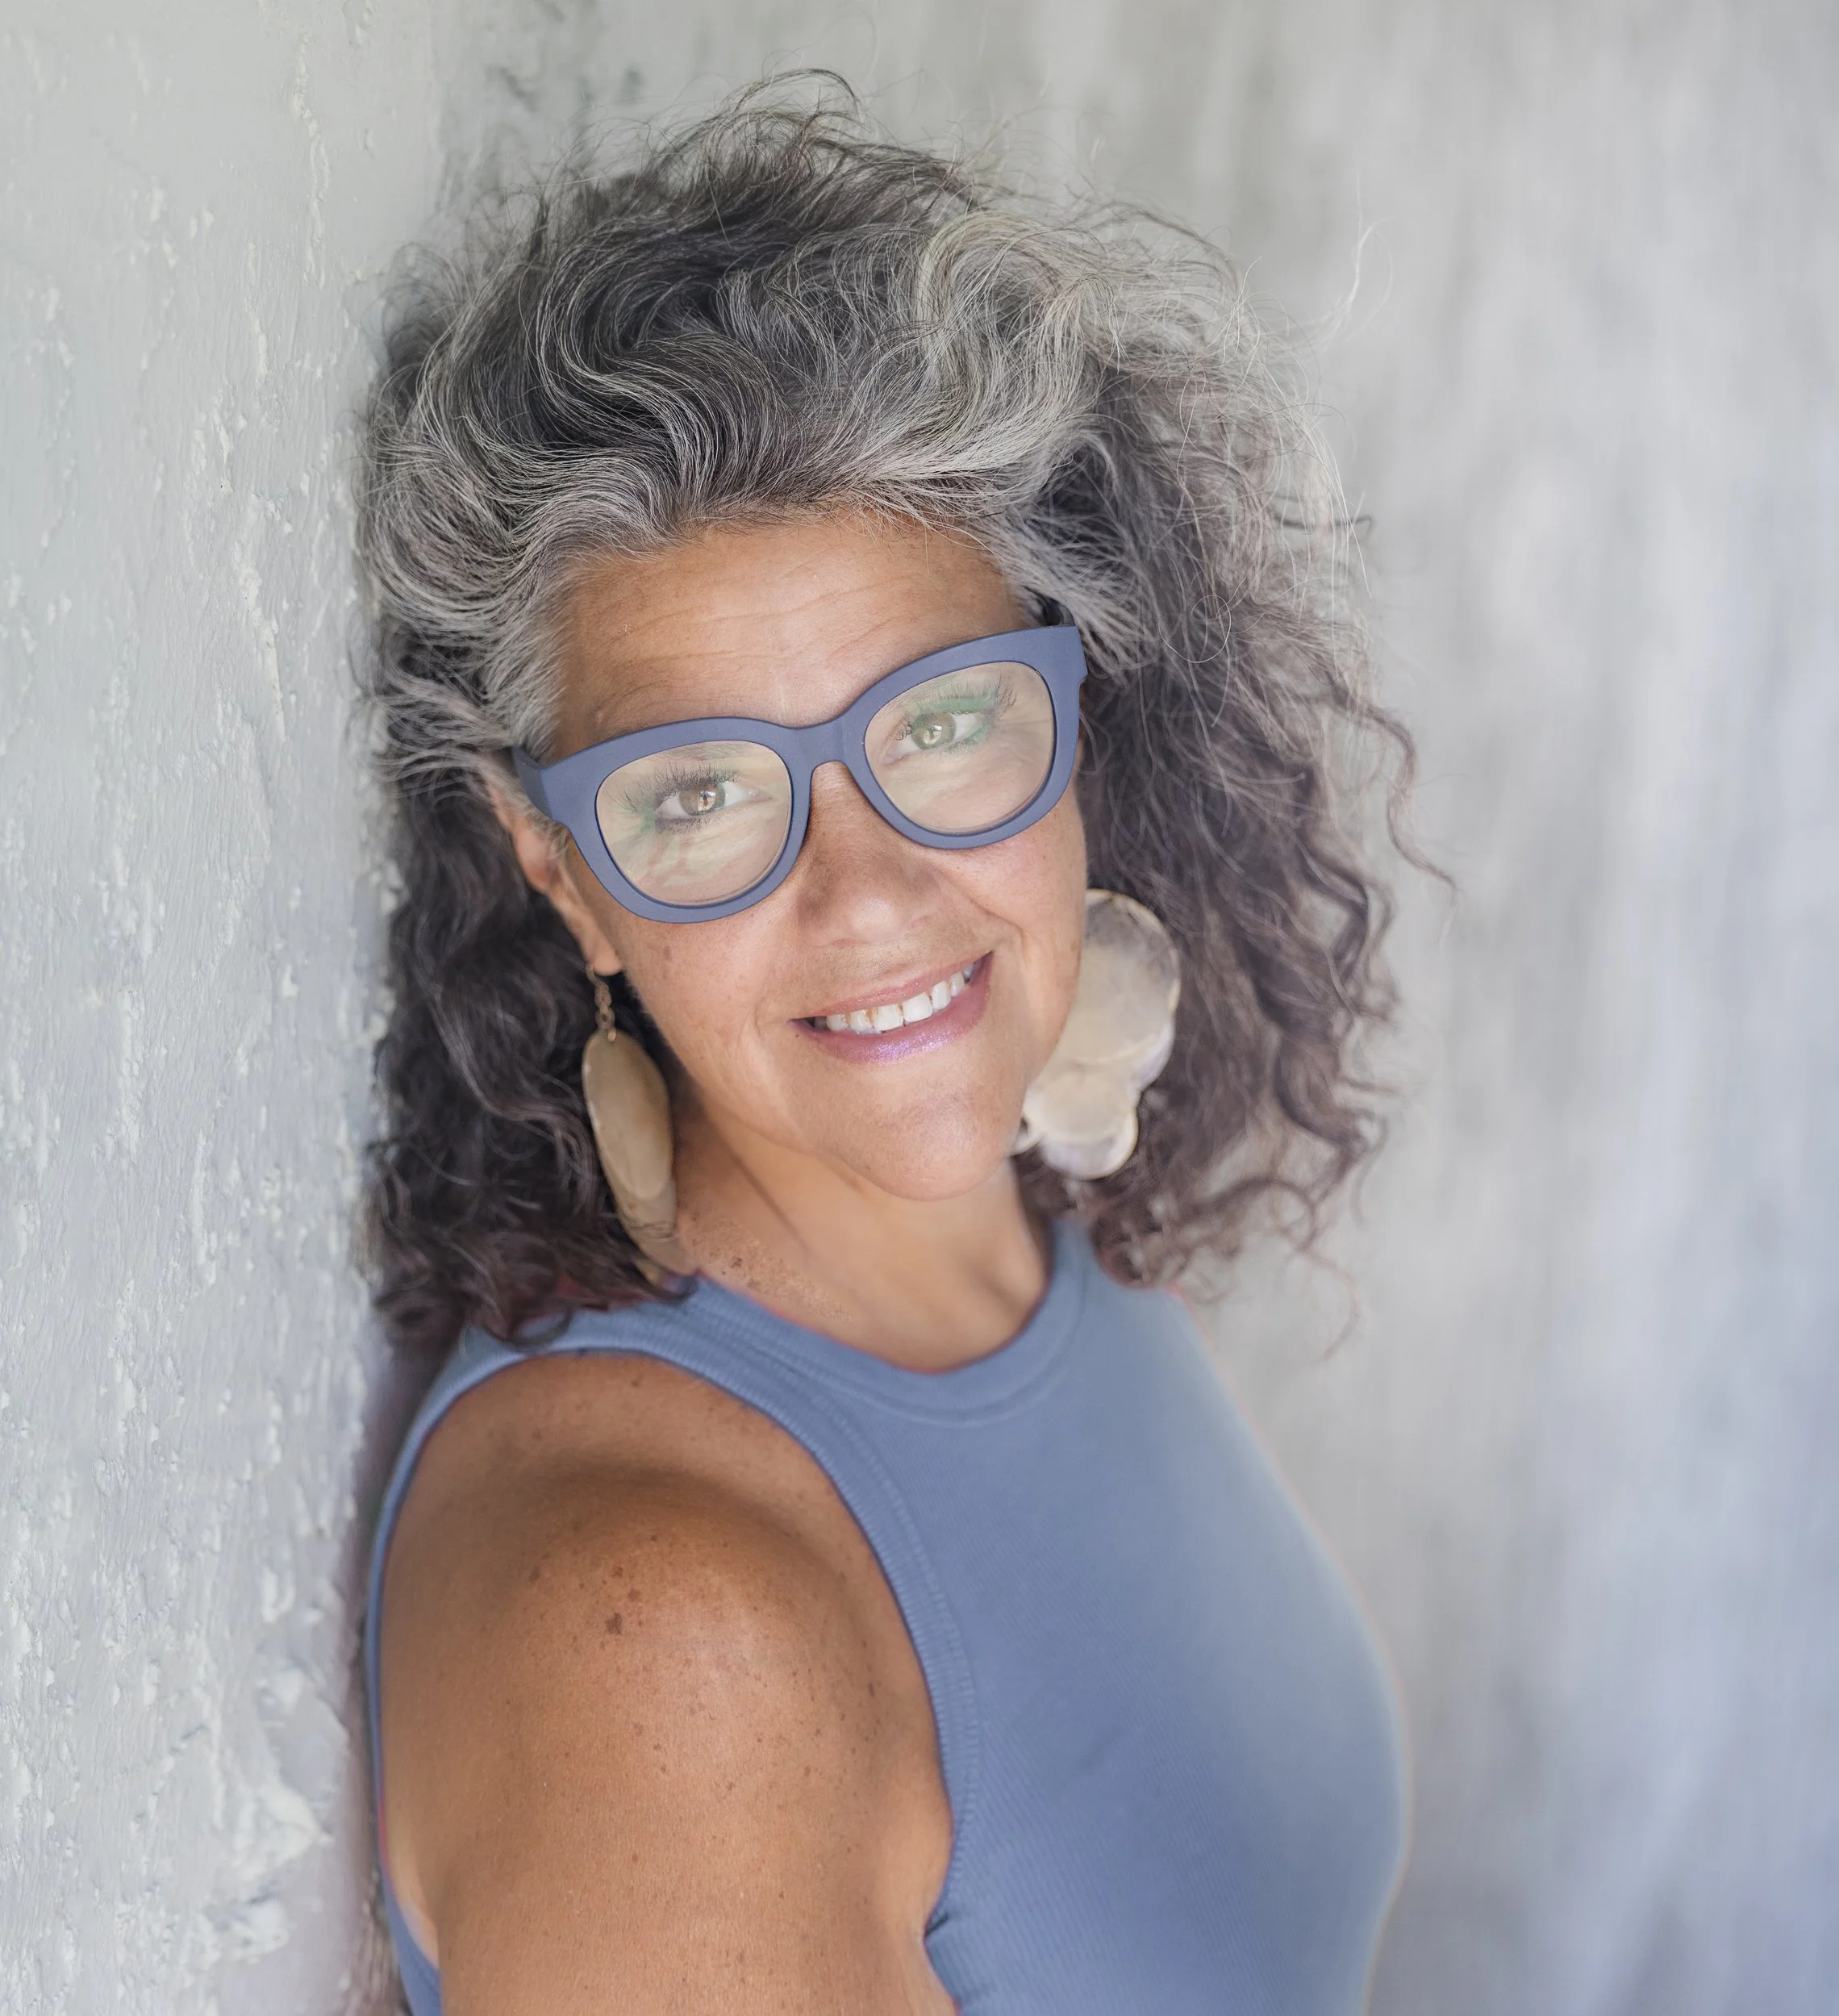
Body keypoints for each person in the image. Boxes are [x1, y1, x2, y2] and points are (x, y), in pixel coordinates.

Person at [357, 84, 1407, 2016]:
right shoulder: (660, 1644)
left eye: (939, 726)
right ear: (563, 880)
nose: (864, 897)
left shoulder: (1034, 1220)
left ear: (1076, 716)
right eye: (694, 796)